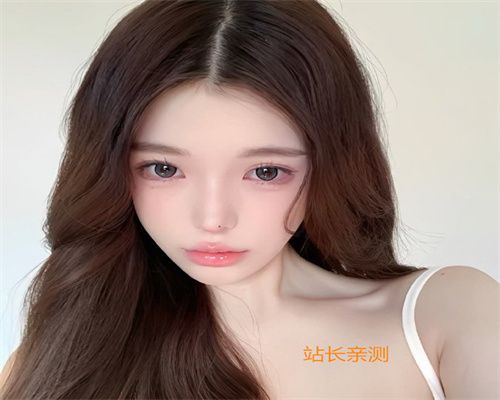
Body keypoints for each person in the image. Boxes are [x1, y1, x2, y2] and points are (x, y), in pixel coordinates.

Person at [1, 0, 498, 399]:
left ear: (330, 165)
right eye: (164, 168)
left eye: (265, 171)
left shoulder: (440, 317)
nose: (213, 218)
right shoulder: (66, 352)